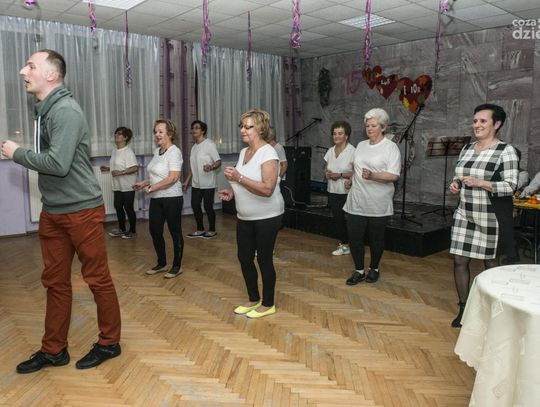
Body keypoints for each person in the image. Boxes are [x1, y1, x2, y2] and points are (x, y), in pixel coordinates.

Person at [1, 49, 121, 373]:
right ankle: (54, 350)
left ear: (51, 75)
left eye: (31, 66)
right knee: (55, 282)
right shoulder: (45, 110)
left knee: (97, 279)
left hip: (81, 210)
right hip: (53, 211)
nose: (23, 71)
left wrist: (18, 153)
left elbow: (57, 163)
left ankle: (110, 342)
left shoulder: (65, 110)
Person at [448, 104, 518, 328]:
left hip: (490, 216)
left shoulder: (505, 151)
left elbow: (510, 186)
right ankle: (463, 308)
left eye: (483, 121)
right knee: (459, 260)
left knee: (491, 262)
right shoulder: (467, 148)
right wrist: (456, 183)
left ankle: (495, 311)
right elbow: (459, 175)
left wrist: (481, 183)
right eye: (475, 121)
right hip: (465, 213)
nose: (476, 125)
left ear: (497, 124)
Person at [218, 109, 284, 319]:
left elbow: (267, 189)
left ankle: (268, 303)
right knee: (244, 257)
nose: (243, 130)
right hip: (245, 216)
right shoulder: (243, 152)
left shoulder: (268, 153)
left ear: (261, 129)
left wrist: (238, 178)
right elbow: (246, 182)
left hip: (267, 216)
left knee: (264, 259)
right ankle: (253, 298)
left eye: (248, 127)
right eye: (242, 126)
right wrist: (232, 192)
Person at [343, 108, 401, 286]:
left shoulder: (390, 147)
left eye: (373, 126)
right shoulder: (361, 145)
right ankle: (359, 270)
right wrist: (351, 179)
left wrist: (373, 175)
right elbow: (357, 168)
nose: (369, 128)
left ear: (383, 127)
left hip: (378, 202)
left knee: (376, 239)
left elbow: (394, 175)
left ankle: (374, 268)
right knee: (355, 238)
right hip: (356, 199)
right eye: (367, 125)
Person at [133, 119, 184, 279]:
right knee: (155, 231)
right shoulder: (157, 151)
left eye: (161, 131)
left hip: (172, 198)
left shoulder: (175, 152)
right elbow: (156, 175)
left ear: (170, 133)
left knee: (175, 232)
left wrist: (152, 188)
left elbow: (173, 178)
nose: (157, 134)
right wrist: (144, 183)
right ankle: (162, 263)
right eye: (155, 132)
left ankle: (176, 266)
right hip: (156, 198)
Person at [182, 120, 221, 239]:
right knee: (195, 205)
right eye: (192, 128)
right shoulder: (194, 147)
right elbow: (192, 167)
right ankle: (200, 229)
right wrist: (187, 181)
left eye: (197, 128)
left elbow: (218, 161)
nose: (193, 130)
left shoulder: (209, 144)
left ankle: (212, 230)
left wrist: (211, 166)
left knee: (208, 207)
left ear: (203, 131)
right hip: (196, 183)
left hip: (208, 183)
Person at [100, 127, 138, 239]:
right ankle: (122, 229)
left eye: (120, 133)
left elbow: (135, 168)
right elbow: (117, 166)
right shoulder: (114, 151)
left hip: (128, 186)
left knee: (128, 208)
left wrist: (121, 172)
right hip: (117, 185)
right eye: (116, 133)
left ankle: (133, 231)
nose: (116, 135)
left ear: (125, 137)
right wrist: (108, 168)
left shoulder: (128, 152)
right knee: (118, 206)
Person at [324, 121, 355, 256]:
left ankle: (353, 244)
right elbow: (326, 168)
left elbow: (357, 173)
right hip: (332, 190)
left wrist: (341, 175)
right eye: (334, 133)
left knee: (350, 220)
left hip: (347, 192)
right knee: (338, 219)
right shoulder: (330, 151)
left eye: (340, 133)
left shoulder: (353, 151)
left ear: (346, 136)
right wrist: (327, 173)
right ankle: (344, 244)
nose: (336, 136)